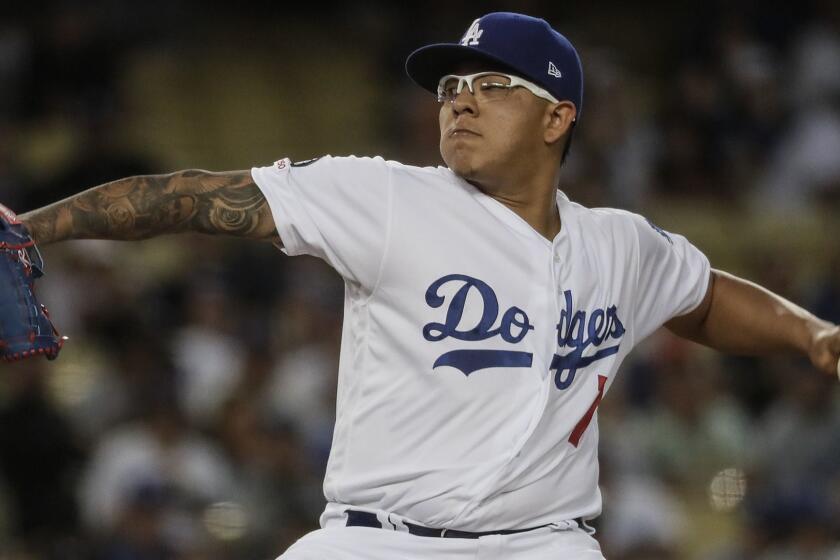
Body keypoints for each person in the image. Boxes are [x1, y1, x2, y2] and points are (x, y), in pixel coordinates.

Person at [11, 12, 840, 560]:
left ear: (558, 118)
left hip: (542, 544)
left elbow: (703, 298)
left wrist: (808, 333)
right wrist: (34, 228)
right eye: (450, 88)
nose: (460, 103)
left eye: (492, 85)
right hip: (379, 542)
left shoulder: (618, 244)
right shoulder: (387, 198)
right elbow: (191, 197)